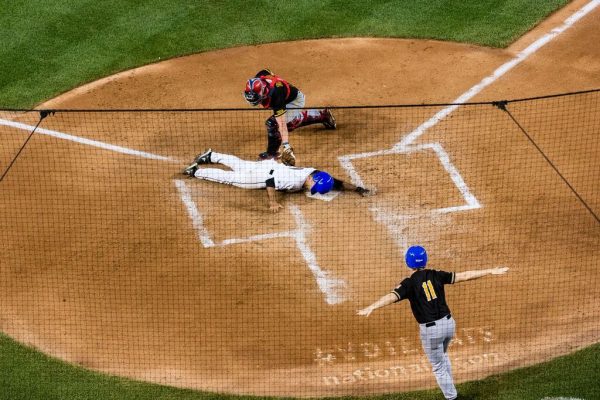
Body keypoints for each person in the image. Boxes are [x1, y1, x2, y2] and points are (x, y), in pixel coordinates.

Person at [357, 245, 509, 400]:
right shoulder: (436, 274)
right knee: (442, 355)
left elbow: (391, 296)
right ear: (425, 259)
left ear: (408, 262)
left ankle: (452, 398)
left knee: (437, 367)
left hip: (432, 331)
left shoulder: (408, 284)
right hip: (449, 324)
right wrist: (490, 270)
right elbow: (464, 276)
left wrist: (373, 306)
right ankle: (452, 390)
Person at [182, 149, 371, 212]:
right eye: (314, 187)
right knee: (232, 178)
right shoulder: (295, 182)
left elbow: (337, 182)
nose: (310, 189)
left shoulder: (313, 172)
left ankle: (211, 155)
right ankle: (196, 171)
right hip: (260, 176)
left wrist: (357, 188)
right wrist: (272, 202)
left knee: (239, 164)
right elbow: (269, 181)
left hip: (266, 165)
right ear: (314, 179)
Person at [243, 68, 337, 165]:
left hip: (295, 101)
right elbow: (265, 71)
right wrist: (273, 75)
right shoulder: (257, 81)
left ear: (262, 90)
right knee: (290, 123)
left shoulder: (276, 95)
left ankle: (272, 153)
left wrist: (286, 146)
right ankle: (324, 115)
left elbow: (282, 124)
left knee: (273, 124)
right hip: (286, 98)